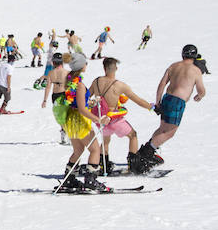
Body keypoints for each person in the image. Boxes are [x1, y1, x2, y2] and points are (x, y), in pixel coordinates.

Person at [137, 45, 206, 168]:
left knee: (162, 129)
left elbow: (162, 84)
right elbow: (201, 90)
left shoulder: (173, 66)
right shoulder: (195, 70)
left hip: (167, 98)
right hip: (178, 102)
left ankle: (148, 151)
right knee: (170, 132)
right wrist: (199, 96)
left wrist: (158, 102)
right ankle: (145, 154)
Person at [53, 53, 109, 192]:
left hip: (70, 120)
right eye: (85, 63)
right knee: (95, 149)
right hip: (79, 120)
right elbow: (82, 109)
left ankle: (69, 178)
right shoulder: (80, 85)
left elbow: (76, 102)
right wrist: (98, 120)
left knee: (78, 150)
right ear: (81, 66)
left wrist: (90, 101)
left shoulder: (70, 80)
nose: (86, 65)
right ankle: (91, 180)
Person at [88, 58, 154, 175]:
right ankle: (133, 165)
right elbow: (137, 100)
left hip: (100, 119)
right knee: (133, 135)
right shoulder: (119, 85)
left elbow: (87, 97)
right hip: (114, 119)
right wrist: (151, 107)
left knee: (105, 140)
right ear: (116, 68)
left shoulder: (96, 81)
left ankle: (104, 164)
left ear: (104, 68)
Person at [41, 52, 68, 144]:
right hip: (64, 95)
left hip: (55, 96)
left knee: (60, 116)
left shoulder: (51, 73)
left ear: (53, 62)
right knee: (66, 115)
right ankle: (67, 133)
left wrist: (45, 100)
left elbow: (48, 87)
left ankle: (63, 133)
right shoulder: (66, 72)